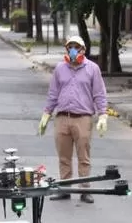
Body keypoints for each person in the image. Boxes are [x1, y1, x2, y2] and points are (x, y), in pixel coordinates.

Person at [42, 34, 108, 203]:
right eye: (69, 46)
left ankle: (85, 190)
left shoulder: (92, 69)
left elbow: (99, 94)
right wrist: (46, 114)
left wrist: (103, 115)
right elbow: (53, 93)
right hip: (62, 117)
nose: (72, 50)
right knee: (64, 157)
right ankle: (64, 189)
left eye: (76, 47)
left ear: (83, 50)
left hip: (83, 118)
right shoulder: (59, 68)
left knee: (83, 156)